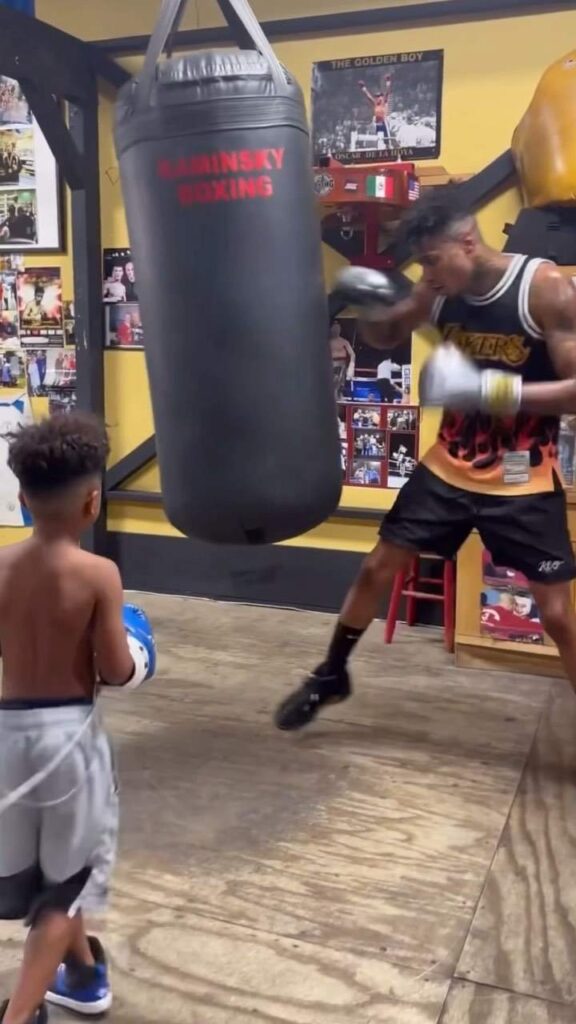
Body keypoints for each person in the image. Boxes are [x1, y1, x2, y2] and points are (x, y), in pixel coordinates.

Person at [275, 185, 576, 730]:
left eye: (433, 261)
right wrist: (367, 301)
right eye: (421, 265)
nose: (428, 276)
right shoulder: (435, 291)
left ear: (467, 241)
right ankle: (330, 675)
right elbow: (388, 332)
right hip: (451, 464)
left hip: (522, 470)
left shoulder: (544, 289)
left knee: (557, 614)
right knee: (375, 568)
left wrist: (494, 392)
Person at [0, 413, 156, 1023]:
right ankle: (18, 1016)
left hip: (8, 736)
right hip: (71, 743)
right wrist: (140, 648)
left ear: (21, 497)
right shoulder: (99, 575)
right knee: (64, 892)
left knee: (44, 873)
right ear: (94, 501)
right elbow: (116, 670)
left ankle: (86, 973)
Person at [359, 76, 393, 146]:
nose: (378, 98)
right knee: (379, 138)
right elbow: (368, 96)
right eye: (377, 96)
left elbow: (387, 92)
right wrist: (363, 88)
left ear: (382, 97)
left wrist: (388, 82)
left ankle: (388, 146)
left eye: (379, 96)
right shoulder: (375, 103)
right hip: (378, 123)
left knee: (387, 139)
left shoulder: (384, 101)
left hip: (384, 122)